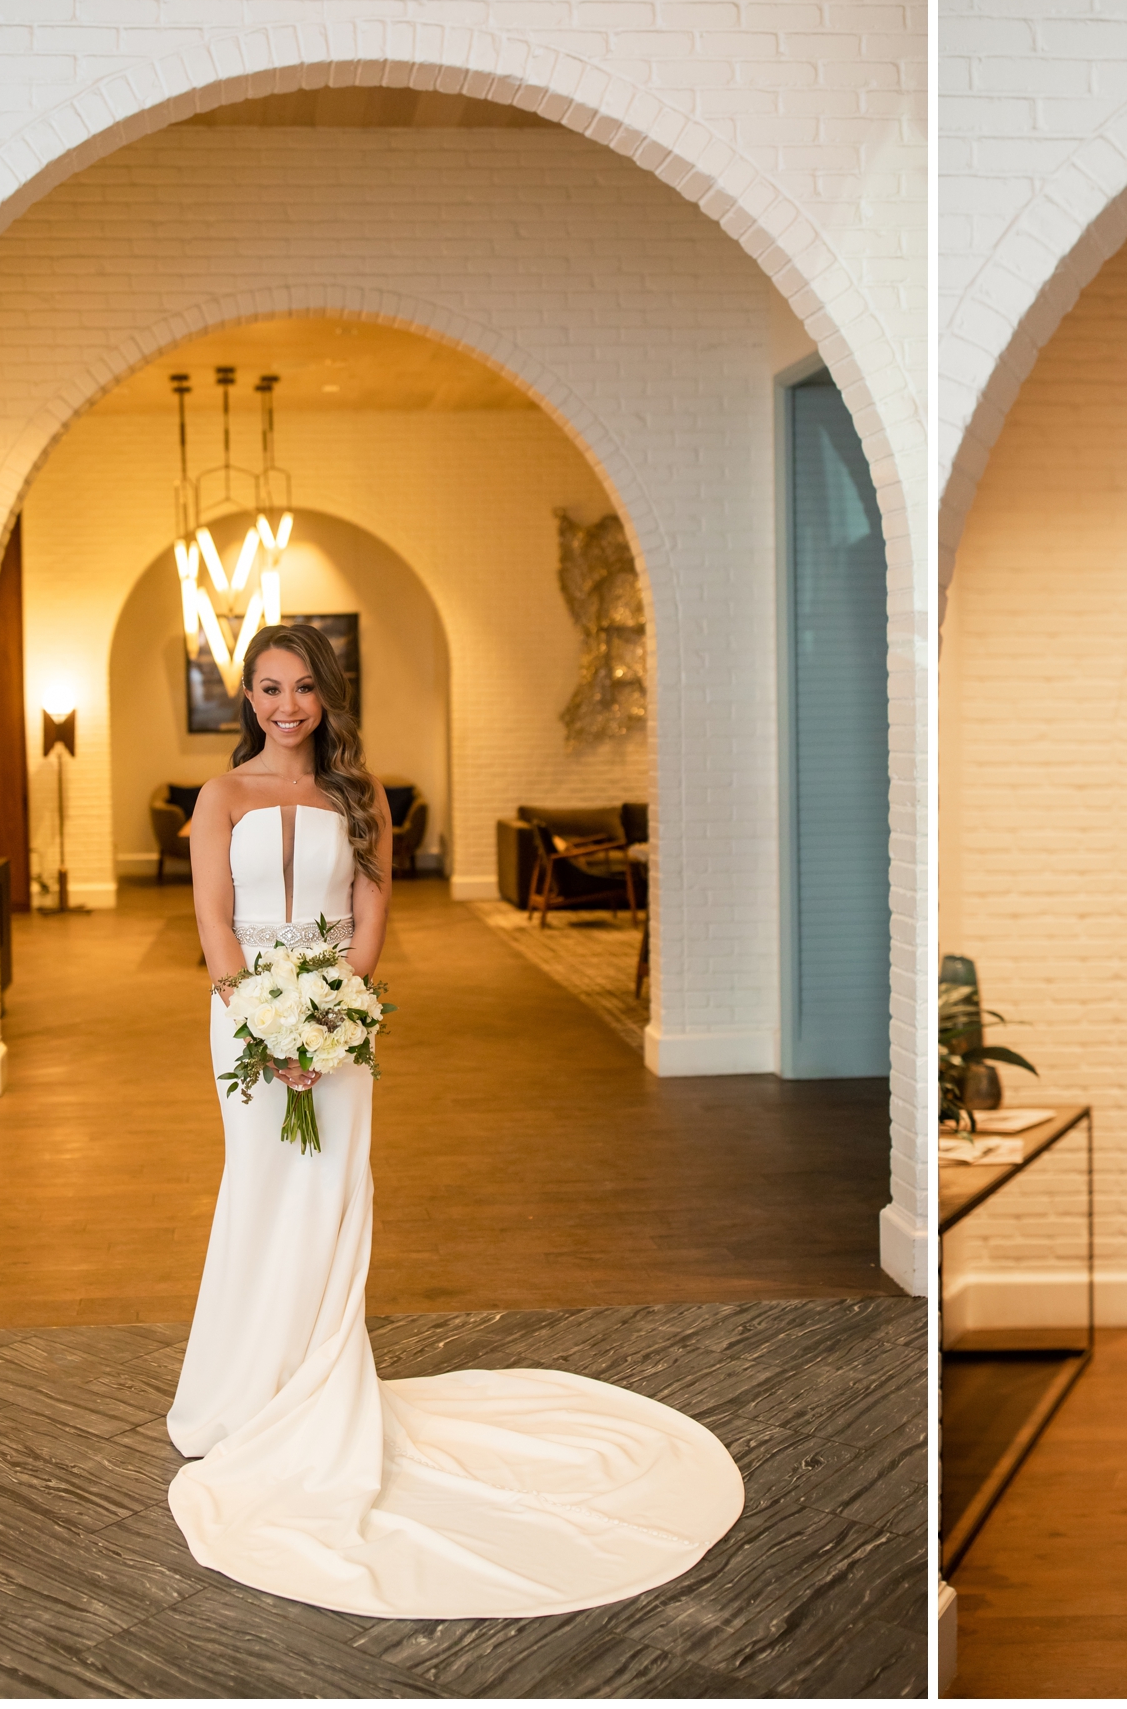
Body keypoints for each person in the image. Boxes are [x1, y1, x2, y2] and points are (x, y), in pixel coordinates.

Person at [165, 622, 743, 1618]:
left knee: (335, 1194)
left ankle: (322, 1381)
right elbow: (215, 920)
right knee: (260, 1191)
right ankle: (245, 1385)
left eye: (304, 687)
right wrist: (259, 1021)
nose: (286, 705)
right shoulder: (220, 798)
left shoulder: (361, 796)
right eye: (267, 688)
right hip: (246, 1028)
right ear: (246, 698)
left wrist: (332, 1013)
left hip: (338, 1021)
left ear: (328, 695)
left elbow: (374, 915)